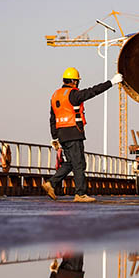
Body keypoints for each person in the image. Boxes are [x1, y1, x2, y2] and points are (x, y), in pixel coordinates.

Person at [43, 67, 122, 202]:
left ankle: (51, 183)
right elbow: (93, 91)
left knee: (71, 163)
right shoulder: (73, 94)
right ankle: (80, 194)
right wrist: (111, 82)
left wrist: (54, 137)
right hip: (74, 133)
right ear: (74, 81)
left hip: (62, 135)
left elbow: (52, 118)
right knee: (79, 164)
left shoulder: (55, 95)